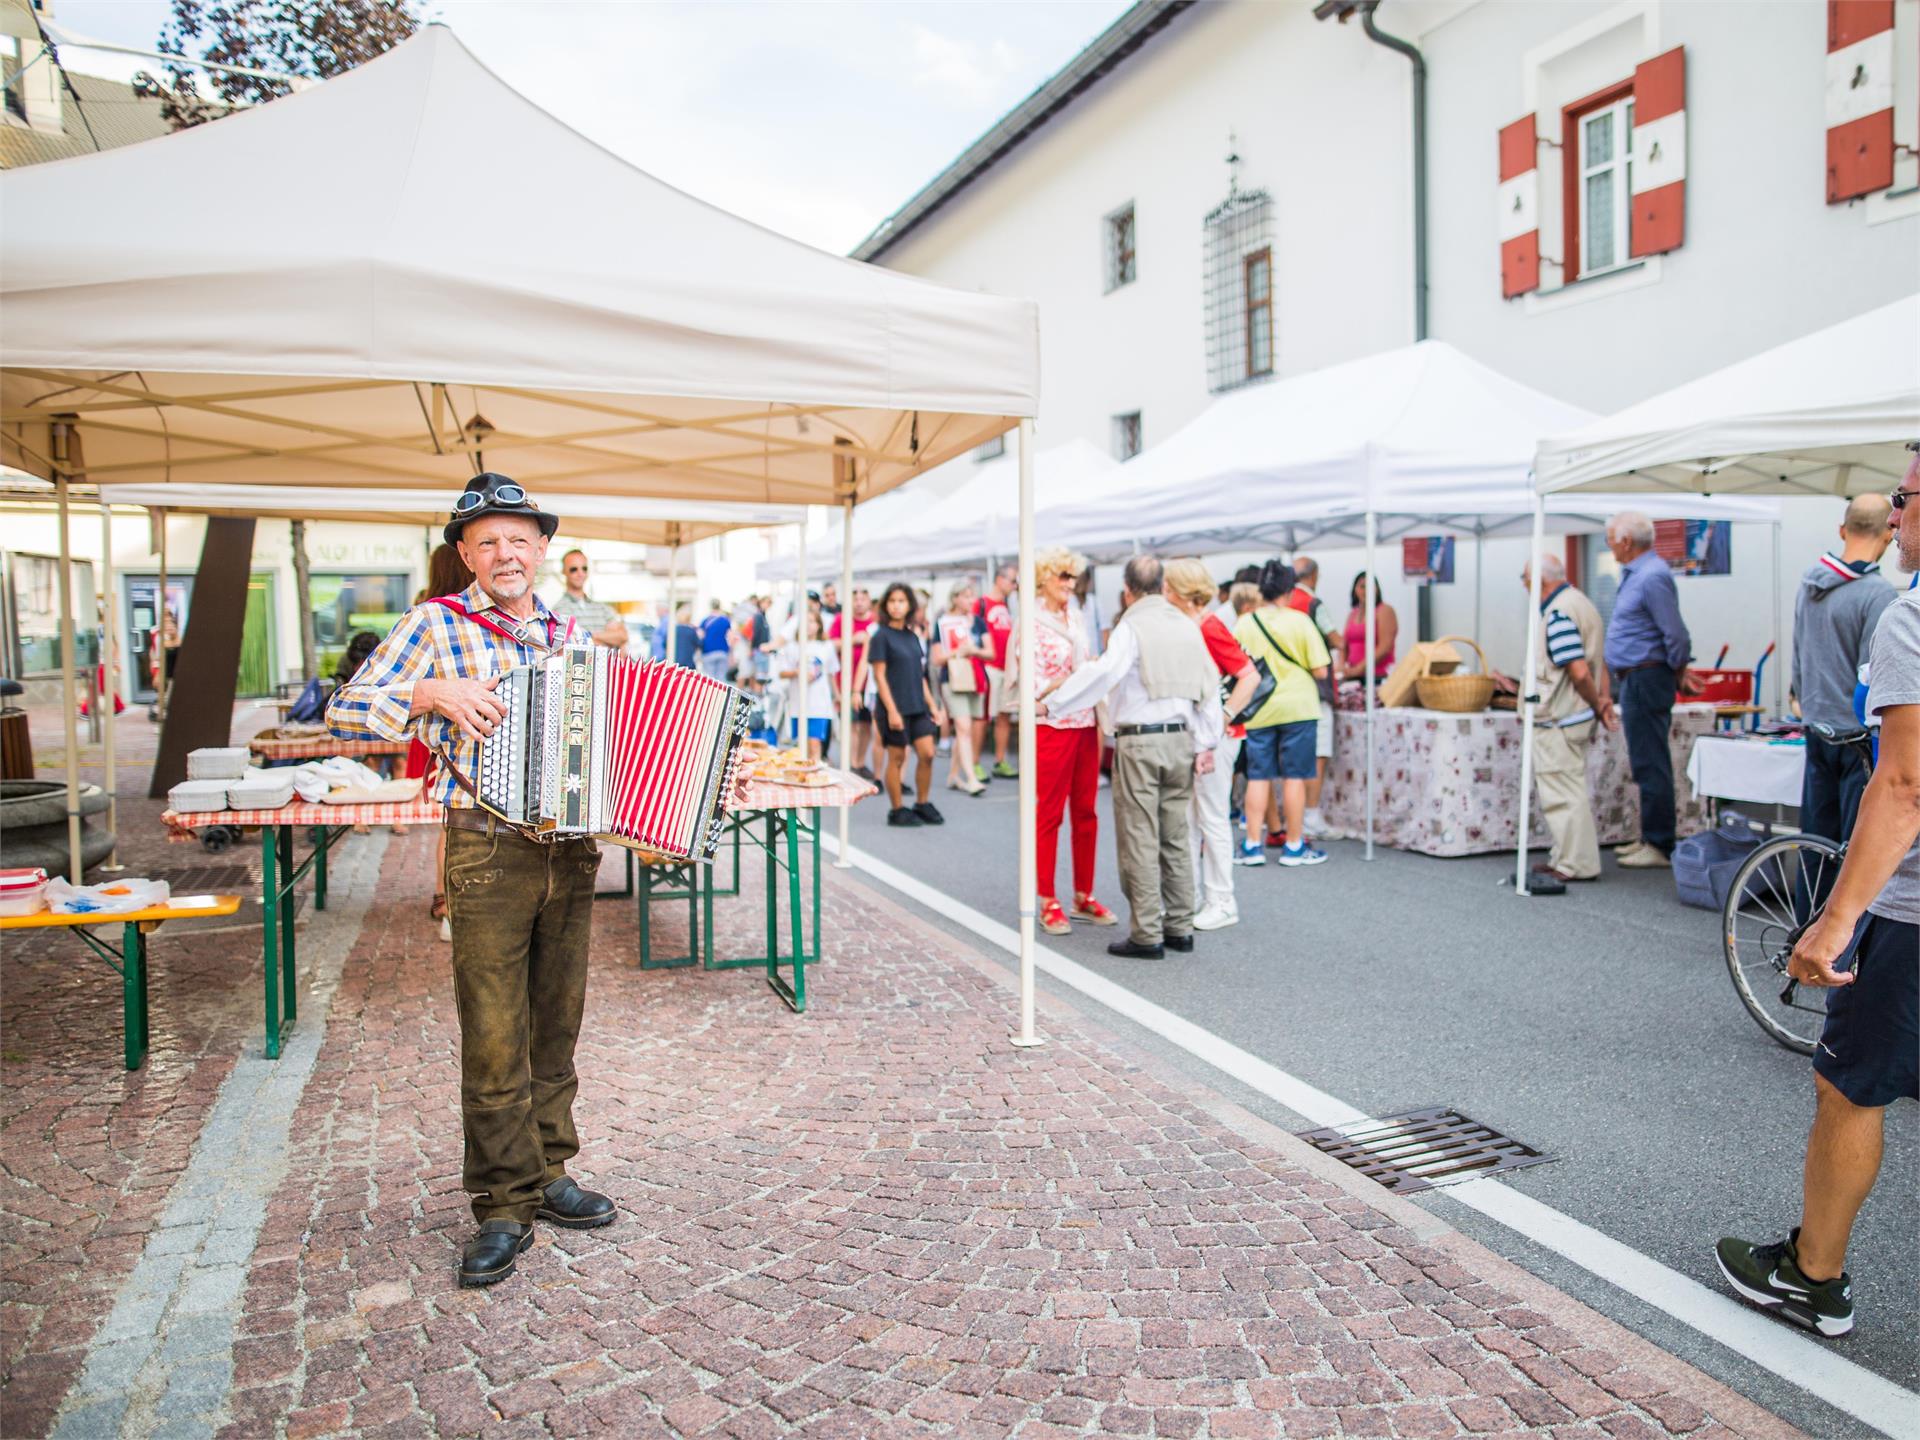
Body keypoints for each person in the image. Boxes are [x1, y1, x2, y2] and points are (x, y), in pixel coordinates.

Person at [327, 473, 615, 1289]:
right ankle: (502, 1203)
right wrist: (428, 692)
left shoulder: (572, 635)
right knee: (493, 1030)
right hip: (486, 848)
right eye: (487, 540)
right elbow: (343, 710)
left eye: (519, 538)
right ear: (465, 555)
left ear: (543, 548)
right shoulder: (433, 624)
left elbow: (606, 740)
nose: (506, 553)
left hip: (571, 847)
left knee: (557, 1019)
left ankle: (550, 1168)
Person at [1715, 451, 1920, 1340]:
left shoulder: (1908, 616)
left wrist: (1833, 921)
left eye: (1907, 495)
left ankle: (1813, 1275)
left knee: (1852, 1086)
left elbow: (1907, 787)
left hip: (1910, 909)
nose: (1900, 513)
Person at [1044, 555, 1222, 959]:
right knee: (1176, 835)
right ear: (1162, 586)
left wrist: (1054, 704)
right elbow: (1209, 687)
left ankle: (1147, 933)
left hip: (1140, 741)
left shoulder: (1132, 625)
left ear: (1127, 590)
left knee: (1140, 836)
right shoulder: (1187, 626)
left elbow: (1105, 673)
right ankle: (1179, 926)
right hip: (1181, 738)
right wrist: (1205, 742)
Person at [1016, 548, 1118, 936]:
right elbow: (1031, 680)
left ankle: (1083, 892)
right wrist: (1070, 681)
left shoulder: (1075, 616)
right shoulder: (1031, 622)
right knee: (1050, 812)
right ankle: (1047, 896)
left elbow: (1088, 661)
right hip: (1053, 722)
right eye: (1062, 576)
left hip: (1084, 718)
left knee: (1087, 811)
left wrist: (1088, 675)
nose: (1069, 584)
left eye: (1072, 577)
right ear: (1044, 577)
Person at [1791, 494, 1896, 843]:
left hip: (1815, 723)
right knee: (1852, 844)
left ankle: (1808, 901)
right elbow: (1873, 673)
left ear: (1842, 530)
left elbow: (1797, 653)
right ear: (1887, 534)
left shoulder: (1809, 583)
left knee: (1815, 838)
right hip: (1856, 735)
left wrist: (1803, 702)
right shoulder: (1877, 593)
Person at [1166, 558, 1260, 930]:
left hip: (1217, 737)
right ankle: (1191, 897)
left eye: (1169, 587)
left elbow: (1247, 675)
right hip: (1199, 735)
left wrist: (1223, 718)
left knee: (1211, 816)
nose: (1164, 593)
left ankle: (1222, 899)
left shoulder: (1208, 625)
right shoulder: (1194, 624)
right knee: (1190, 817)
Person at [1519, 555, 1617, 896]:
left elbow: (1577, 670)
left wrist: (1596, 700)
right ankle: (1567, 858)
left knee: (1562, 792)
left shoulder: (1558, 611)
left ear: (1539, 580)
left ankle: (1575, 862)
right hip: (1574, 714)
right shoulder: (1581, 603)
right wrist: (1601, 702)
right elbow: (1597, 662)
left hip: (1560, 716)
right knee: (1568, 787)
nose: (1523, 585)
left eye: (1525, 578)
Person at [1603, 511, 1695, 869]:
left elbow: (1675, 633)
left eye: (1611, 539)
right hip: (1636, 676)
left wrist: (1678, 670)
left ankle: (1659, 843)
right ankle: (1649, 836)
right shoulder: (1637, 575)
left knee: (1651, 760)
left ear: (1626, 542)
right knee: (1644, 759)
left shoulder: (1652, 576)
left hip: (1646, 676)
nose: (1609, 546)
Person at [1235, 561, 1333, 869]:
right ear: (1289, 592)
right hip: (1298, 707)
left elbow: (1234, 665)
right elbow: (1320, 669)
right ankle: (1294, 845)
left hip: (1258, 707)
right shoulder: (1300, 621)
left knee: (1259, 776)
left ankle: (1252, 845)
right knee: (1294, 776)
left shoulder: (1245, 623)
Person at [412, 542, 477, 940]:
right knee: (453, 821)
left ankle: (445, 897)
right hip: (447, 732)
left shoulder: (425, 604)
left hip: (435, 735)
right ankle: (450, 902)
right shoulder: (432, 617)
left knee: (449, 823)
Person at [868, 582, 946, 827]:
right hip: (894, 707)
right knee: (898, 757)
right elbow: (879, 676)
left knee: (928, 753)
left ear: (909, 605)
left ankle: (922, 803)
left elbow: (919, 675)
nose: (896, 606)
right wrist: (892, 711)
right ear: (885, 606)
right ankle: (897, 809)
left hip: (917, 706)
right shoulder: (881, 636)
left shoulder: (913, 636)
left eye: (901, 601)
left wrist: (932, 705)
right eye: (892, 601)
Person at [1288, 555, 1338, 837]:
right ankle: (1311, 817)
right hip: (1313, 691)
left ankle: (1291, 823)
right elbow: (1333, 643)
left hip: (1285, 693)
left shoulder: (1278, 609)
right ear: (1314, 575)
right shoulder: (1312, 606)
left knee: (1293, 758)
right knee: (1318, 754)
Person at [934, 582, 988, 796]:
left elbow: (990, 651)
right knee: (963, 726)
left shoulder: (978, 623)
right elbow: (937, 657)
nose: (970, 600)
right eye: (965, 596)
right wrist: (957, 651)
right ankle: (971, 778)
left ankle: (954, 774)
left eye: (972, 596)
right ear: (955, 597)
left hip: (974, 676)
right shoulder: (943, 622)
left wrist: (973, 649)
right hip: (953, 678)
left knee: (966, 729)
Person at [974, 564, 1018, 781]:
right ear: (1000, 579)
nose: (1014, 586)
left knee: (1004, 715)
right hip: (988, 667)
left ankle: (1000, 760)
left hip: (1005, 667)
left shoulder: (1008, 606)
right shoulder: (981, 604)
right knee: (982, 717)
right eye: (1012, 581)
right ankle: (973, 762)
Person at [830, 587, 878, 781]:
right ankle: (850, 764)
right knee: (852, 723)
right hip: (846, 680)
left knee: (866, 724)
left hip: (871, 682)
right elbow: (830, 644)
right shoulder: (842, 620)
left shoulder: (874, 622)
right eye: (855, 599)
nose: (859, 602)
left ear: (868, 601)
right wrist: (851, 640)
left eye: (862, 599)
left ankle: (860, 762)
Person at [777, 609, 838, 760]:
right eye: (806, 622)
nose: (809, 626)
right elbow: (782, 672)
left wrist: (837, 695)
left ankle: (814, 773)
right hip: (799, 704)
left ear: (819, 625)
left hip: (819, 704)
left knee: (815, 744)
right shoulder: (792, 647)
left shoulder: (826, 646)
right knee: (801, 746)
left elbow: (832, 672)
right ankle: (803, 775)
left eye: (812, 622)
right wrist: (798, 672)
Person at [549, 549, 628, 650]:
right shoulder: (559, 610)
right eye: (574, 569)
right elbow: (572, 645)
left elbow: (622, 636)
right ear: (564, 571)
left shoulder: (602, 608)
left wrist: (590, 635)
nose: (580, 573)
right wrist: (609, 639)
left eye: (584, 568)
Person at [1338, 571, 1396, 686]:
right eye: (1362, 586)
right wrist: (1341, 665)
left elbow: (1385, 647)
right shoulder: (1352, 614)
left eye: (1370, 586)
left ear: (1377, 589)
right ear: (1355, 589)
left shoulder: (1384, 611)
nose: (1366, 591)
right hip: (1353, 677)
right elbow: (1343, 644)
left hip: (1377, 677)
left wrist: (1359, 669)